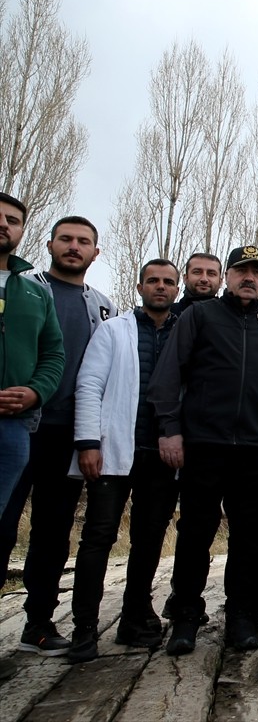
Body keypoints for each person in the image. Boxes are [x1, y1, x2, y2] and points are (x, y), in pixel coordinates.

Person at [149, 245, 258, 656]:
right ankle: (186, 617)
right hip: (204, 445)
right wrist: (170, 429)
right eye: (242, 270)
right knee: (196, 533)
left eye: (257, 272)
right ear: (227, 276)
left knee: (249, 537)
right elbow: (169, 374)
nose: (249, 278)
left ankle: (241, 616)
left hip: (254, 450)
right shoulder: (200, 316)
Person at [6, 215, 114, 658]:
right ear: (49, 244)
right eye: (65, 239)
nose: (74, 246)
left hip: (67, 433)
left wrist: (92, 437)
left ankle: (38, 622)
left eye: (83, 241)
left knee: (52, 533)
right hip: (16, 423)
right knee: (3, 523)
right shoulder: (25, 290)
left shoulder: (102, 307)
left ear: (95, 252)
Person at [66, 259, 181, 661]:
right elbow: (89, 384)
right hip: (114, 451)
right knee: (98, 537)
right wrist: (87, 443)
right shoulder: (114, 330)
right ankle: (84, 628)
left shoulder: (184, 336)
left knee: (148, 541)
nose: (160, 287)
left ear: (177, 290)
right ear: (140, 287)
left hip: (162, 456)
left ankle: (134, 617)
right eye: (153, 281)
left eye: (168, 282)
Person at [0, 193, 64, 522]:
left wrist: (36, 391)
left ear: (21, 231)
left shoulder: (36, 293)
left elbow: (53, 354)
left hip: (13, 424)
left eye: (12, 220)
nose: (3, 224)